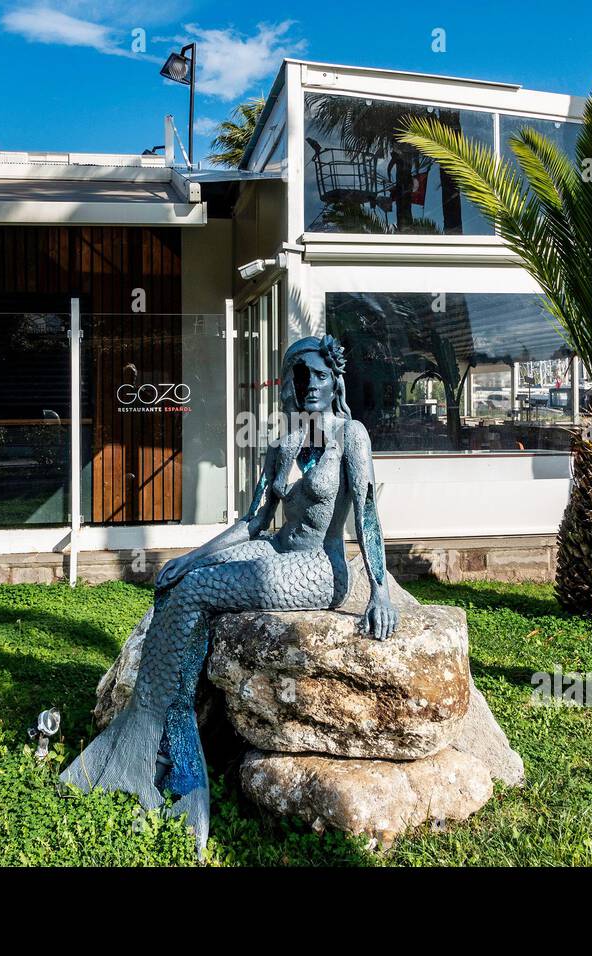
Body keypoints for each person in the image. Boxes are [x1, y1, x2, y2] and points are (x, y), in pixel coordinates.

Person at [59, 334, 399, 857]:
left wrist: (380, 590)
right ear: (288, 386)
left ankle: (168, 743)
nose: (310, 385)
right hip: (274, 548)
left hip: (318, 569)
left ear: (336, 383)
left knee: (198, 592)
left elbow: (368, 515)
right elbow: (254, 522)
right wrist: (191, 557)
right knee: (180, 583)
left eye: (320, 375)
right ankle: (159, 725)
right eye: (300, 376)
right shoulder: (284, 444)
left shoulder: (351, 436)